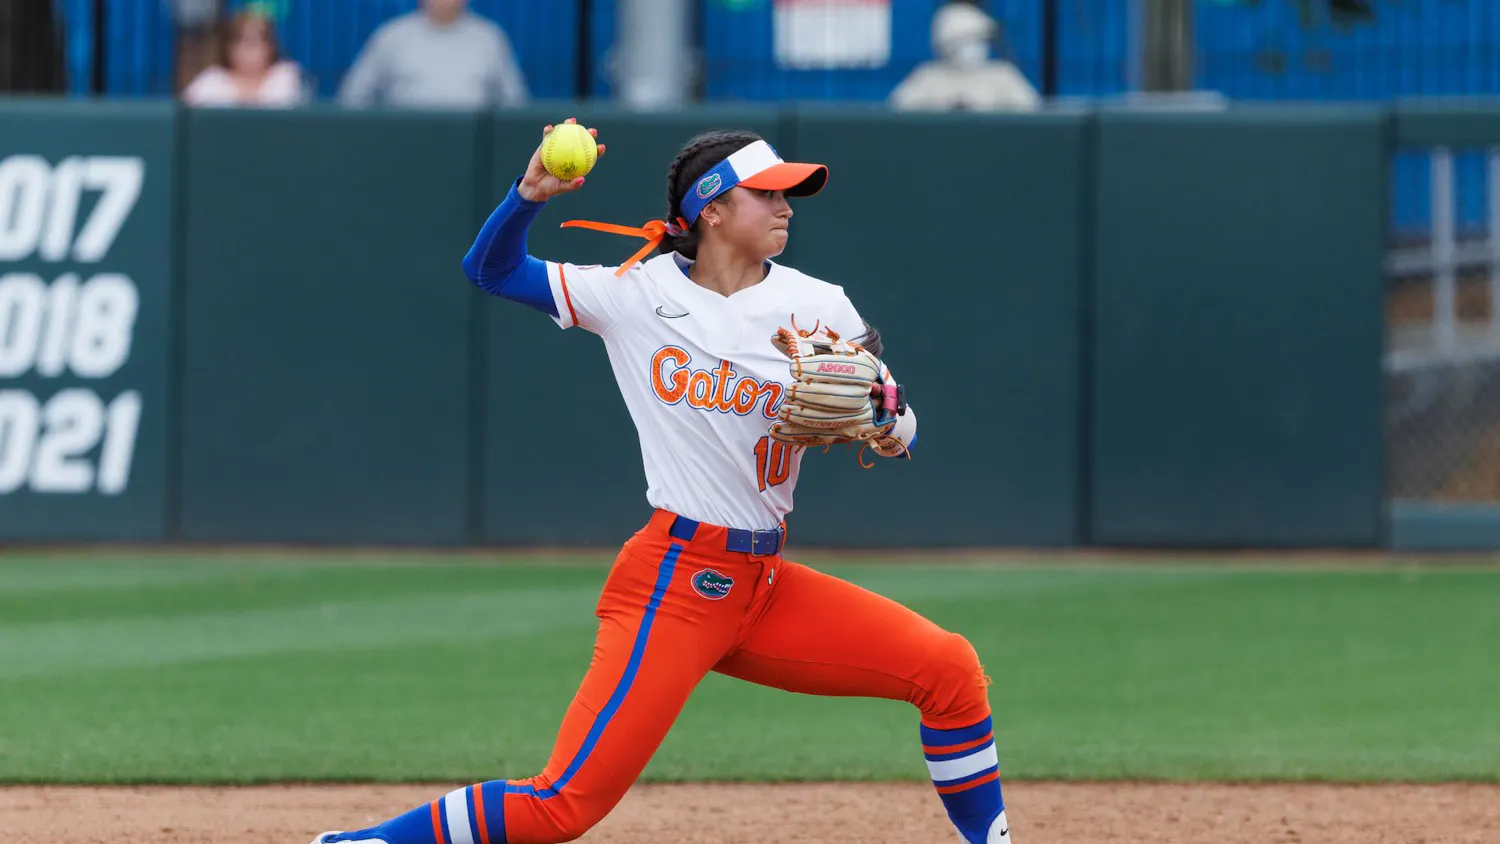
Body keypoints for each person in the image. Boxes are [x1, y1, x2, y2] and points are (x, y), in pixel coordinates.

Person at [308, 119, 1013, 844]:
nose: (787, 206)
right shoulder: (631, 293)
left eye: (789, 194)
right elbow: (490, 270)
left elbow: (904, 430)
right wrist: (527, 196)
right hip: (677, 582)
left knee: (949, 671)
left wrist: (879, 414)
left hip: (763, 584)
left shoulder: (822, 303)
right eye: (767, 194)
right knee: (561, 807)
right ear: (711, 209)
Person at [337, 0, 527, 110]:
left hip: (474, 155)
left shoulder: (490, 39)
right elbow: (352, 99)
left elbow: (515, 105)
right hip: (403, 150)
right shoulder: (392, 36)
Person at [889, 1, 1040, 113]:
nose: (978, 48)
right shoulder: (928, 76)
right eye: (969, 43)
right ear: (947, 48)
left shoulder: (1003, 75)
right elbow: (896, 110)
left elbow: (1031, 110)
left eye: (981, 41)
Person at [181, 9, 304, 108]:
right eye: (242, 42)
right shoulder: (210, 81)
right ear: (228, 47)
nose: (250, 50)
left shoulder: (286, 77)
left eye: (257, 41)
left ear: (271, 47)